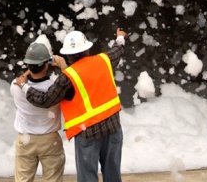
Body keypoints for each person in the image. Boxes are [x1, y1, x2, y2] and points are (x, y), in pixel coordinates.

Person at [17, 28, 127, 182]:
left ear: (67, 55)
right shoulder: (103, 60)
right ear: (87, 49)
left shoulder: (67, 78)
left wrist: (24, 86)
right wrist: (120, 37)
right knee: (113, 175)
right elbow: (117, 51)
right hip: (113, 128)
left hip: (88, 134)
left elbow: (45, 100)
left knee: (87, 177)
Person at [10, 42, 65, 182]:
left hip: (25, 139)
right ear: (46, 64)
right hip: (49, 140)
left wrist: (32, 67)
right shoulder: (54, 88)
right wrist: (62, 65)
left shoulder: (15, 86)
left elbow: (22, 78)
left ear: (28, 65)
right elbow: (70, 82)